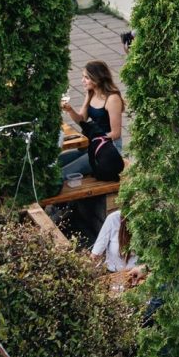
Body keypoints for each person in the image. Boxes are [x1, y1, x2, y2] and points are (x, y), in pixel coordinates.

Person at [59, 61, 126, 240]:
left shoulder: (112, 98)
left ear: (97, 78)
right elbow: (82, 120)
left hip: (108, 150)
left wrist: (95, 139)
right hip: (93, 146)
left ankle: (60, 211)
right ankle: (66, 208)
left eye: (86, 77)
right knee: (59, 162)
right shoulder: (91, 93)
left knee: (65, 173)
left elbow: (116, 133)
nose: (83, 81)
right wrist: (70, 110)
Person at [91, 209, 143, 275]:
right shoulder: (113, 219)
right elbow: (95, 254)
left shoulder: (147, 221)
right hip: (113, 274)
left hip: (137, 275)